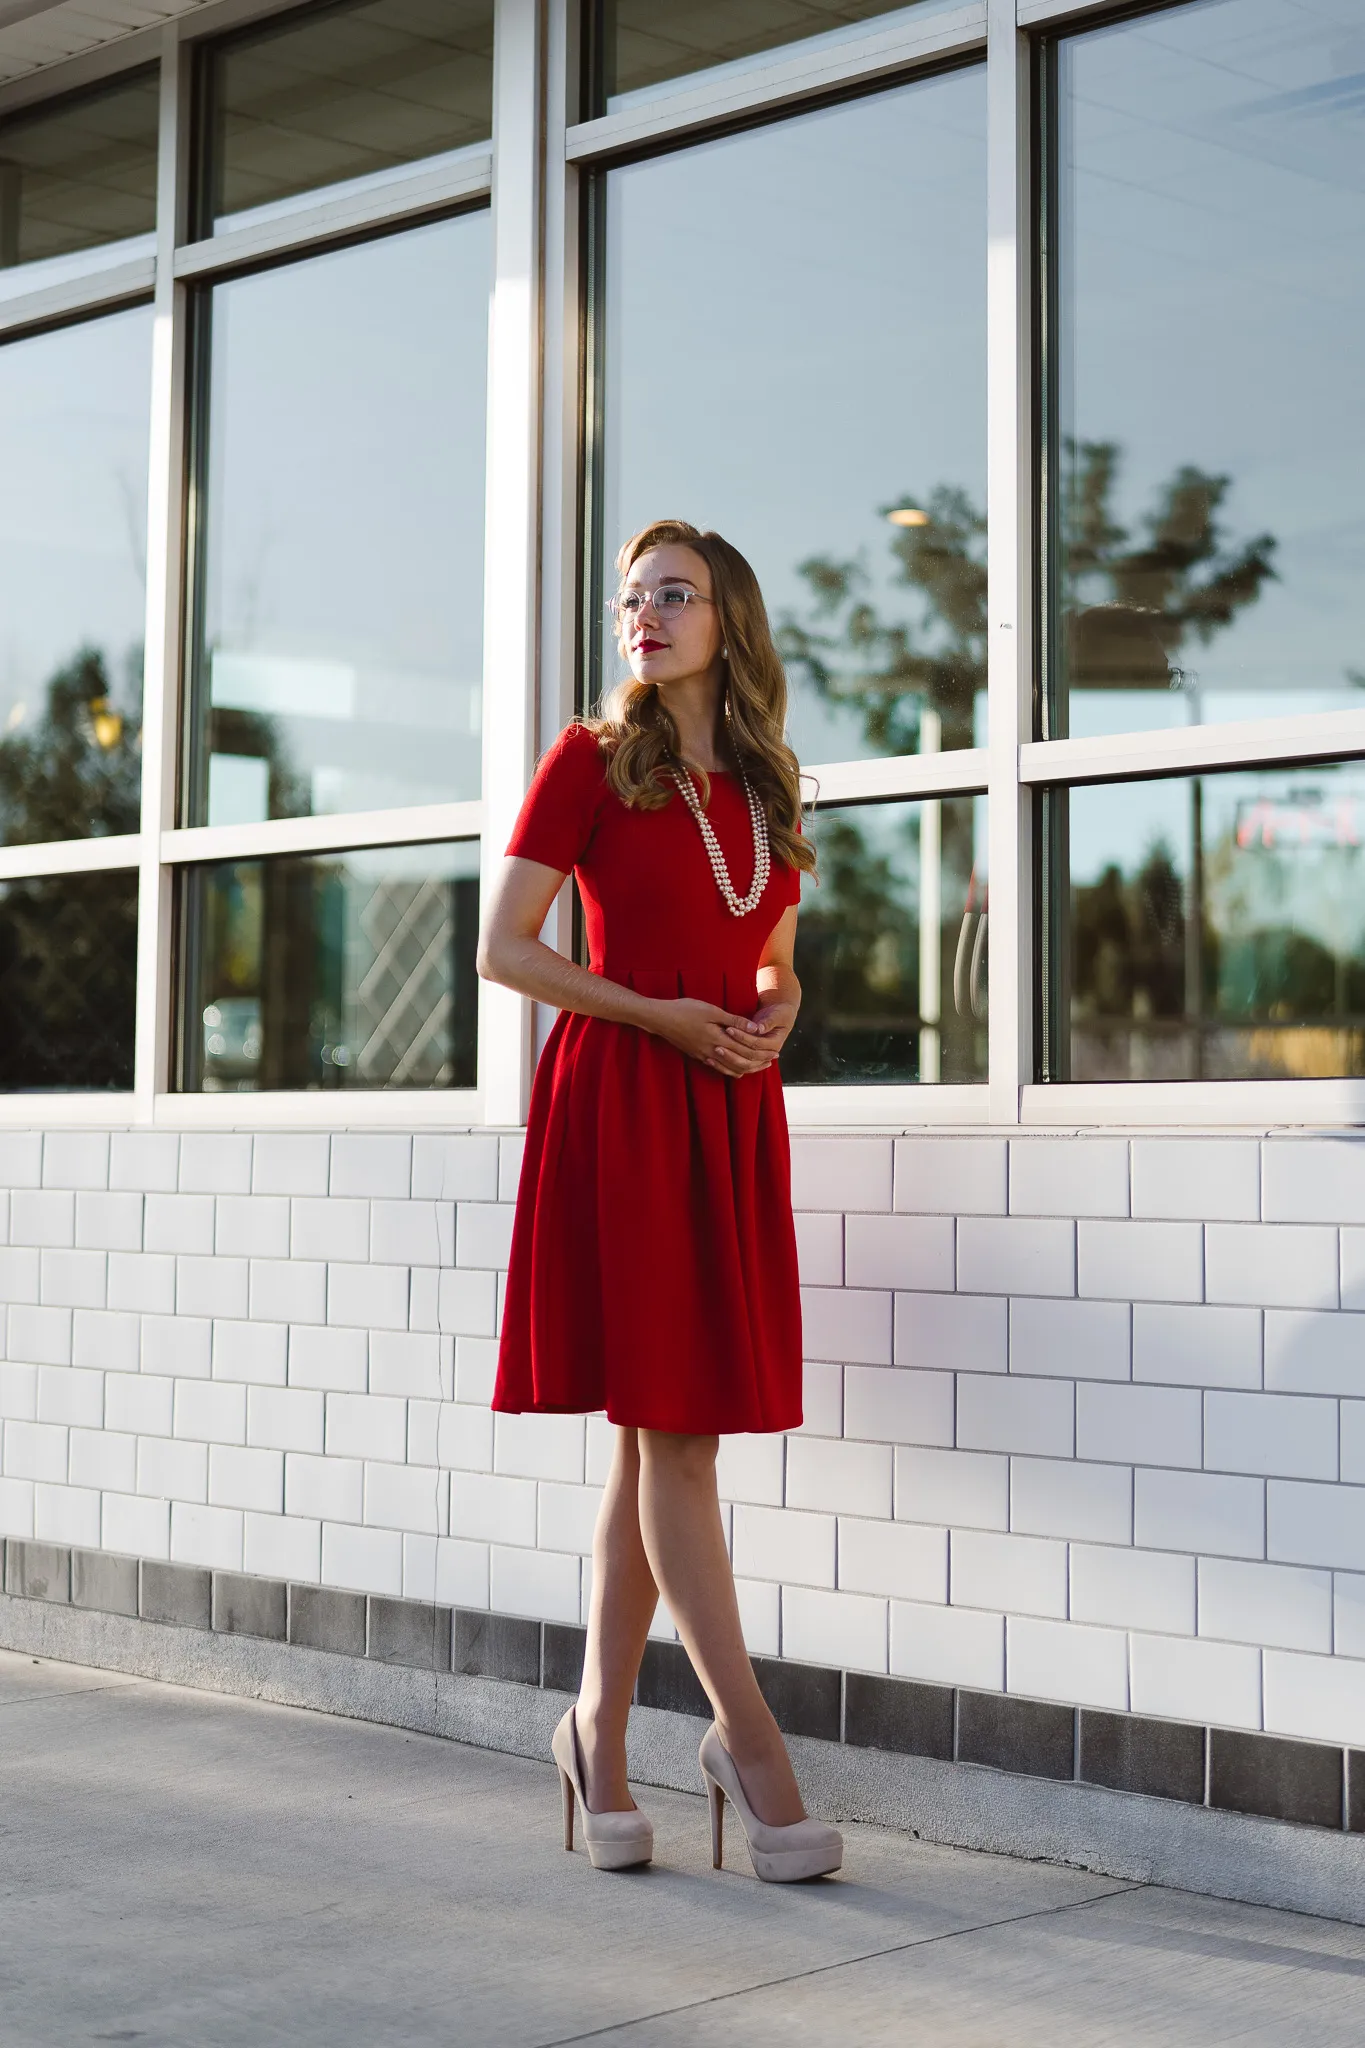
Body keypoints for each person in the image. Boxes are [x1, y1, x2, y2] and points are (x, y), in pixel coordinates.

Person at [477, 518, 842, 1884]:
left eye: (674, 595)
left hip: (728, 1115)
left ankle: (598, 1737)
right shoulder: (587, 761)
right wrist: (660, 1019)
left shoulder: (765, 788)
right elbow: (504, 949)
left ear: (727, 621)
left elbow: (776, 953)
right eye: (633, 596)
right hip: (625, 1106)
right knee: (673, 1442)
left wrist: (775, 1009)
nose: (645, 613)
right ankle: (753, 1750)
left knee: (657, 1446)